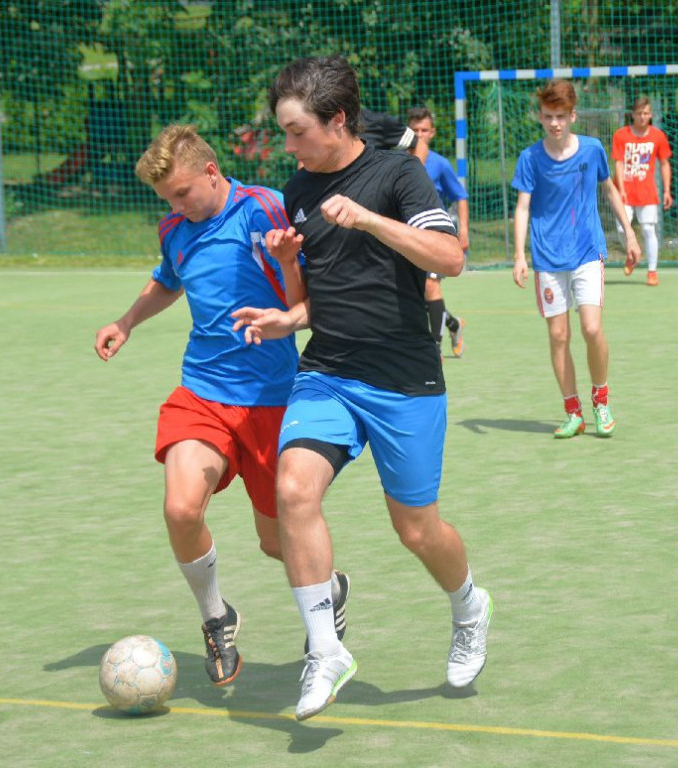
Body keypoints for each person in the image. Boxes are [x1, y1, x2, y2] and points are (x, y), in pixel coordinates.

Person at [232, 55, 492, 721]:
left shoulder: (398, 174)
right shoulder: (297, 191)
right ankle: (326, 648)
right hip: (329, 370)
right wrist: (285, 309)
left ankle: (468, 606)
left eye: (295, 132)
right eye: (283, 133)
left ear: (337, 120)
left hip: (405, 377)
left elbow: (451, 259)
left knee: (416, 530)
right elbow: (316, 300)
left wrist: (371, 220)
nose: (288, 147)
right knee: (293, 490)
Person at [93, 124, 350, 688]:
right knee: (182, 509)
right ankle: (216, 617)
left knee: (274, 542)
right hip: (202, 391)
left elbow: (305, 297)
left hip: (273, 400)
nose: (177, 207)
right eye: (167, 200)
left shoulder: (267, 208)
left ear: (212, 173)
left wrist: (286, 265)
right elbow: (168, 279)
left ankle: (330, 590)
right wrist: (126, 321)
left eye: (183, 193)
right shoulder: (176, 228)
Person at [511, 79, 641, 439]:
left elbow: (610, 189)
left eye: (561, 116)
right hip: (547, 258)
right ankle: (574, 412)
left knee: (592, 328)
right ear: (539, 116)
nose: (554, 123)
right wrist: (520, 254)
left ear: (573, 115)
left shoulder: (592, 150)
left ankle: (601, 399)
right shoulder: (530, 158)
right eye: (548, 116)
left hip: (586, 251)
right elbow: (522, 207)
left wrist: (629, 233)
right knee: (558, 336)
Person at [407, 106, 468, 357]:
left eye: (424, 130)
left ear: (431, 133)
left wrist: (462, 229)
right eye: (415, 130)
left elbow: (460, 196)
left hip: (433, 235)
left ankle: (435, 349)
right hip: (405, 236)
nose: (420, 135)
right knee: (416, 294)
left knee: (431, 286)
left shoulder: (440, 165)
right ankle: (453, 324)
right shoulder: (398, 160)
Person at [611, 96, 672, 286]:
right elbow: (619, 163)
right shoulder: (621, 135)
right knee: (622, 229)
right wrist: (620, 189)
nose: (642, 117)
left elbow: (664, 163)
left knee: (648, 228)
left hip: (647, 192)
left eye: (646, 113)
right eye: (639, 113)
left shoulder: (658, 136)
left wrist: (667, 191)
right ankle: (632, 253)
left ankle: (652, 271)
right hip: (625, 192)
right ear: (632, 114)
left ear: (651, 114)